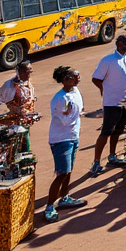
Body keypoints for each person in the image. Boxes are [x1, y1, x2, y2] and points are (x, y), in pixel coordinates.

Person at [89, 35, 126, 176]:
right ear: (117, 43)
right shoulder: (108, 61)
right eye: (124, 42)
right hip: (112, 103)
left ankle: (112, 156)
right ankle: (96, 163)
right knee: (106, 132)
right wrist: (104, 90)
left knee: (118, 130)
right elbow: (96, 78)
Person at [45, 66, 87, 222]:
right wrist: (71, 113)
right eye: (74, 76)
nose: (78, 78)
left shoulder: (75, 92)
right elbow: (65, 120)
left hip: (72, 137)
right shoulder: (60, 99)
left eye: (78, 75)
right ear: (65, 80)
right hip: (61, 140)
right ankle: (49, 206)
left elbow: (79, 110)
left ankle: (64, 197)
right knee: (62, 173)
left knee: (68, 171)